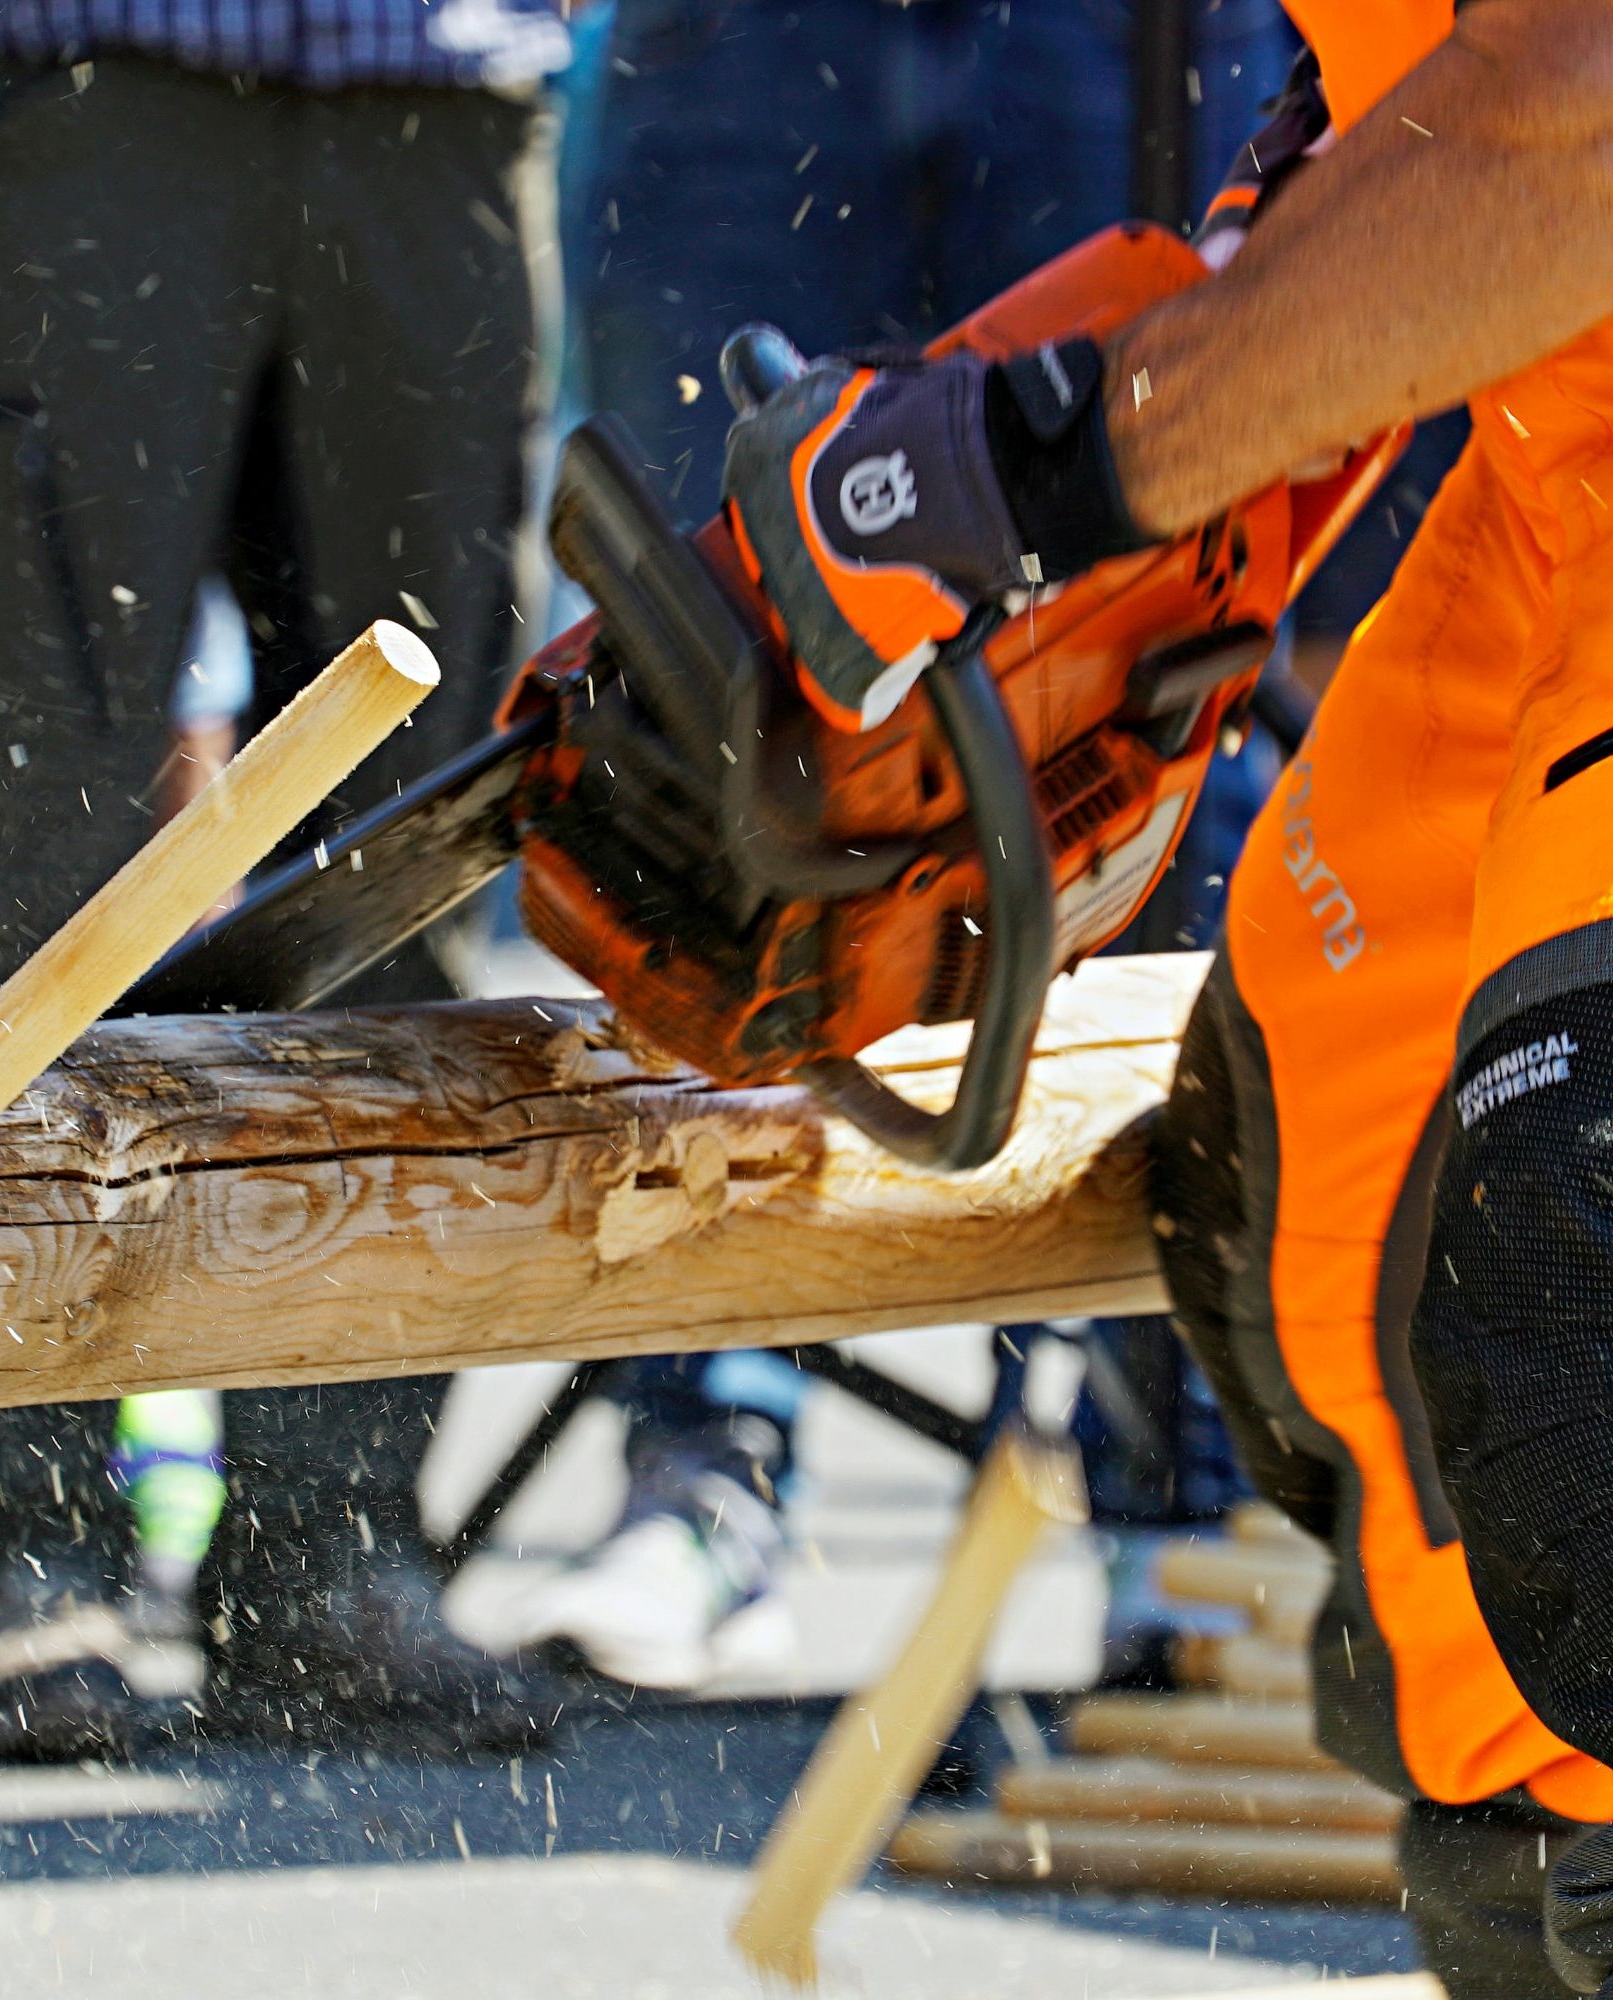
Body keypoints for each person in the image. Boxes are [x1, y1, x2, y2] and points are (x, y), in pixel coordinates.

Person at [601, 3, 1613, 1992]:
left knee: (1575, 1257)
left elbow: (1577, 103)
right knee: (1327, 1181)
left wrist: (1065, 456)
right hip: (1559, 450)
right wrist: (1297, 265)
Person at [509, 0, 1298, 1694]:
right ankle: (709, 1449)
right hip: (745, 43)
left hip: (1133, 43)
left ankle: (1190, 1497)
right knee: (713, 693)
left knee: (1162, 678)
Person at [0, 0, 573, 1762]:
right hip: (66, 74)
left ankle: (330, 1549)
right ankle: (22, 1540)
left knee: (417, 852)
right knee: (41, 834)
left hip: (437, 80)